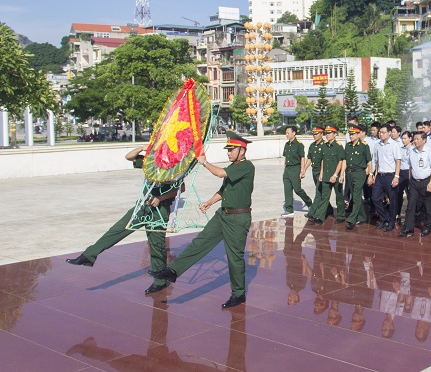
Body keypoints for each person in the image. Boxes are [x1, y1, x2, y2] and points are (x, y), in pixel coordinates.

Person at [150, 131, 255, 308]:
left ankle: (238, 294)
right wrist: (209, 202)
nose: (228, 152)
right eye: (227, 150)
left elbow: (220, 174)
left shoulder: (246, 166)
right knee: (200, 242)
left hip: (238, 219)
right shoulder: (234, 168)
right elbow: (224, 190)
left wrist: (204, 162)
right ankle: (173, 270)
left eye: (231, 149)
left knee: (234, 257)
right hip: (223, 215)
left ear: (242, 150)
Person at [66, 145, 180, 295]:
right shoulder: (150, 162)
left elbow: (179, 189)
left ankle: (159, 281)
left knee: (156, 245)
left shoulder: (175, 167)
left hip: (160, 210)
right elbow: (129, 157)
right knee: (118, 229)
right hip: (143, 207)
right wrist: (142, 148)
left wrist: (160, 198)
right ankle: (89, 255)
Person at [400, 131, 431, 237]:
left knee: (428, 206)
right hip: (414, 182)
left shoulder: (430, 151)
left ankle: (427, 227)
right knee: (411, 205)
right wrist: (409, 180)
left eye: (417, 139)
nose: (415, 141)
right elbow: (410, 167)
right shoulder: (411, 151)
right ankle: (408, 228)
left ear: (424, 140)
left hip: (426, 181)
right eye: (414, 139)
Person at [308, 126, 346, 224]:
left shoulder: (338, 146)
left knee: (339, 197)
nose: (327, 135)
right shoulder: (324, 146)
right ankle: (320, 217)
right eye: (327, 133)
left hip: (335, 176)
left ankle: (341, 215)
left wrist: (335, 175)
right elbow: (323, 161)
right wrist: (321, 174)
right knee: (324, 197)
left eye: (330, 133)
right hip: (326, 175)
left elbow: (340, 161)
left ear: (335, 134)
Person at [371, 125, 401, 232]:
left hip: (390, 175)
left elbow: (398, 161)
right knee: (375, 197)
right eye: (380, 132)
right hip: (380, 175)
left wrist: (396, 176)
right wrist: (374, 174)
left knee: (392, 200)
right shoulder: (377, 145)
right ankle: (384, 218)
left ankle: (391, 222)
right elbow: (377, 160)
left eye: (383, 132)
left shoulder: (394, 145)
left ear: (389, 133)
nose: (380, 134)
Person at [344, 125, 372, 230]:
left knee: (355, 196)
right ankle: (363, 217)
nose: (351, 136)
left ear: (358, 134)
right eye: (350, 134)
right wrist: (342, 173)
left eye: (353, 134)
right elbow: (345, 161)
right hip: (350, 173)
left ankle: (352, 219)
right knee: (357, 196)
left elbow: (369, 161)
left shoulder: (364, 146)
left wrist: (370, 174)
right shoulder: (347, 146)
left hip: (360, 173)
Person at [281, 125, 313, 218]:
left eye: (288, 133)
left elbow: (302, 158)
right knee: (287, 189)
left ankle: (309, 203)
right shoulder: (286, 145)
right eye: (286, 133)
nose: (286, 134)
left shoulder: (299, 145)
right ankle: (289, 210)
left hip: (295, 169)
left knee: (297, 189)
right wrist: (284, 170)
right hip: (287, 170)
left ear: (294, 133)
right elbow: (286, 158)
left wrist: (302, 170)